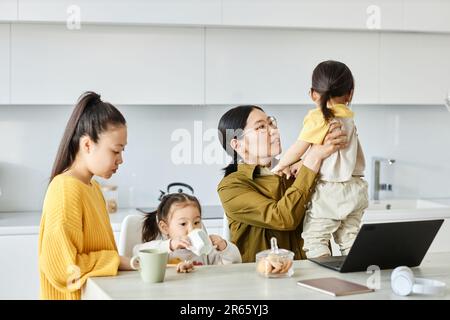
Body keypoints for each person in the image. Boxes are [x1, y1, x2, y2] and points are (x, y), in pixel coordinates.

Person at [216, 104, 348, 262]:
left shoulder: (297, 168)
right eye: (261, 127)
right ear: (237, 144)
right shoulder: (231, 187)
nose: (274, 130)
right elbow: (283, 218)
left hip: (314, 268)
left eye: (271, 123)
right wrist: (312, 159)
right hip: (266, 278)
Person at [38, 91, 132, 300]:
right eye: (116, 151)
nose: (121, 159)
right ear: (87, 144)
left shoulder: (93, 188)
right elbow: (63, 269)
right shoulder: (65, 190)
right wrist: (115, 261)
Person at [272, 60, 368, 258]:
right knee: (350, 238)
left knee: (315, 240)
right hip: (356, 188)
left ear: (313, 94)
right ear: (350, 93)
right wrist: (303, 162)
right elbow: (330, 152)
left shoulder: (318, 116)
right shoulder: (348, 118)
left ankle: (323, 281)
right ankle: (359, 280)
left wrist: (282, 164)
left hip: (331, 191)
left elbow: (299, 148)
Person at [133, 193, 241, 270]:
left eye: (196, 222)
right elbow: (137, 252)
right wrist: (170, 245)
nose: (192, 229)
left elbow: (234, 264)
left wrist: (224, 247)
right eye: (183, 224)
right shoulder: (165, 251)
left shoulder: (206, 251)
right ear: (165, 228)